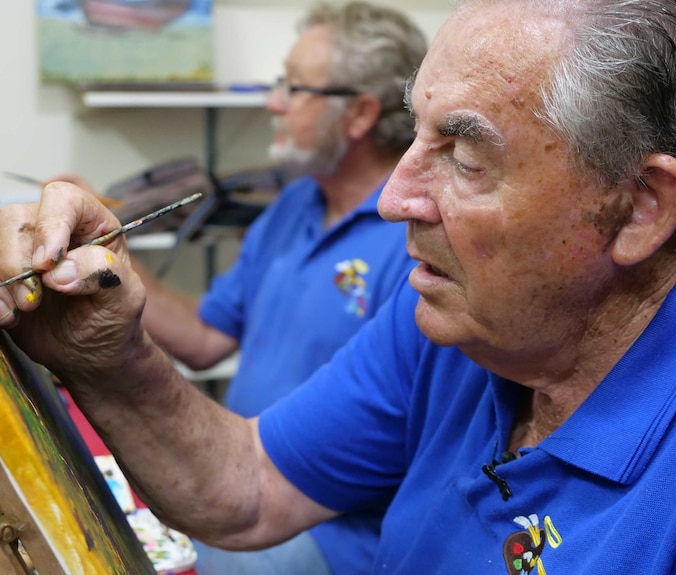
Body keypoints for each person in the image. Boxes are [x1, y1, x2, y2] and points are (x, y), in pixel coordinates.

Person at [0, 0, 676, 572]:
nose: (392, 200)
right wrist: (109, 358)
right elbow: (251, 485)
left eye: (466, 156)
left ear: (639, 207)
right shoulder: (467, 314)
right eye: (415, 134)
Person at [44, 3, 427, 574]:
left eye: (294, 89)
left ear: (360, 114)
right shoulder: (294, 204)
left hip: (330, 531)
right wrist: (109, 253)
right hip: (236, 477)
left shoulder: (414, 239)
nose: (273, 103)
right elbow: (204, 337)